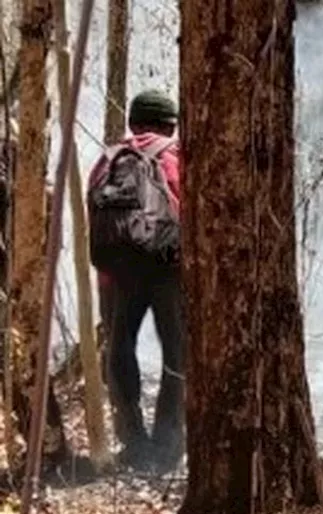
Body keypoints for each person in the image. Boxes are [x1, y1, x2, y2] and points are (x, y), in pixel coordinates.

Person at [87, 89, 184, 472]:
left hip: (114, 273)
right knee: (177, 352)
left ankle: (133, 441)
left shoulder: (108, 159)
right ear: (169, 124)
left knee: (118, 349)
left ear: (132, 122)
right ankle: (168, 441)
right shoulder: (176, 156)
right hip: (167, 269)